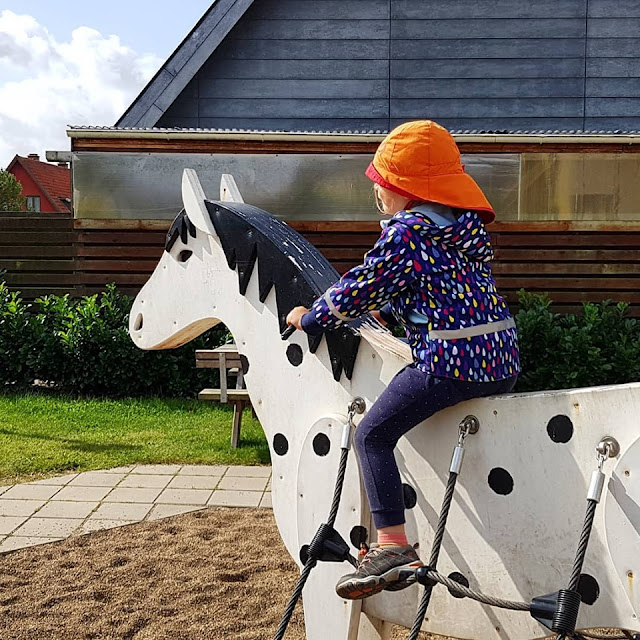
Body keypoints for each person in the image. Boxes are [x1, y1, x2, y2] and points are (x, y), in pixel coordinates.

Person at [286, 120, 520, 600]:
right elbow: (438, 290)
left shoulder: (407, 233)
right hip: (501, 357)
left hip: (450, 360)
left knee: (372, 433)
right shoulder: (462, 230)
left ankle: (392, 545)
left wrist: (312, 318)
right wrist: (391, 308)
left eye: (380, 186)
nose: (378, 197)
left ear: (401, 189)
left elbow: (361, 285)